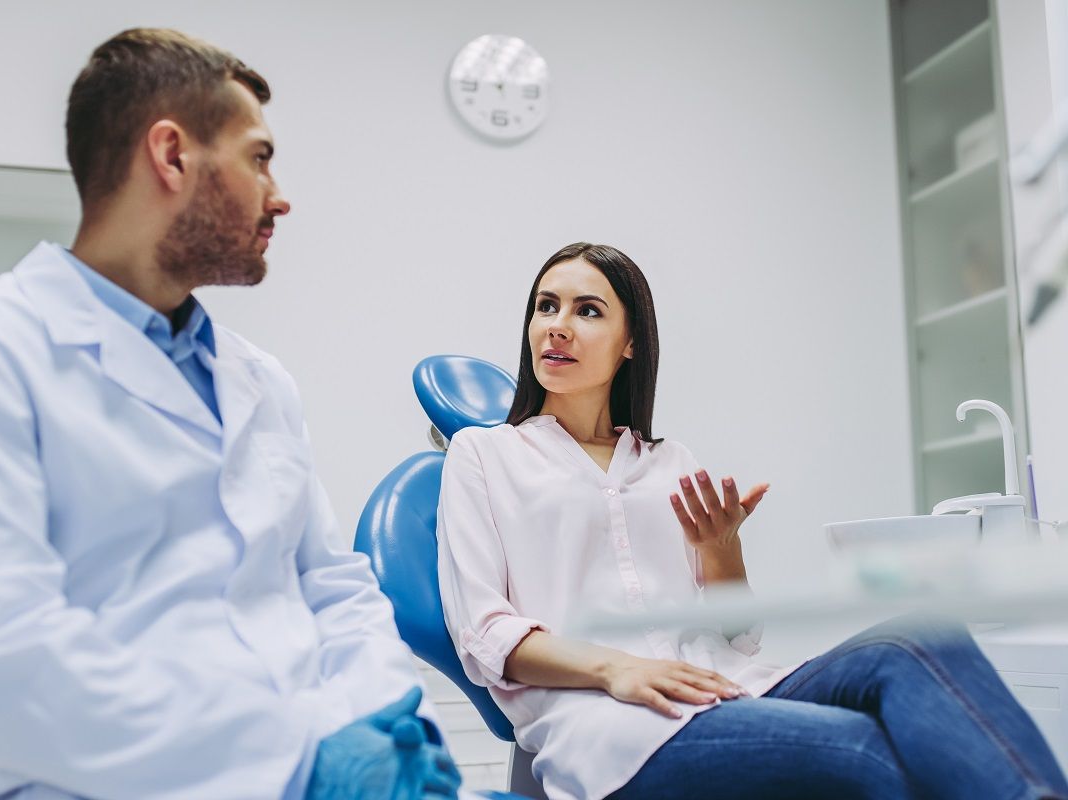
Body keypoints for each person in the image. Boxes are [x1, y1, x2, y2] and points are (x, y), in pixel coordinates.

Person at [0, 29, 460, 800]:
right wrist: (304, 764)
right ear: (172, 155)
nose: (279, 195)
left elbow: (333, 586)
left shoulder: (259, 379)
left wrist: (382, 721)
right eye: (259, 157)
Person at [436, 241, 1068, 800]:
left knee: (926, 638)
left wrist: (721, 550)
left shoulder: (667, 462)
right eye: (546, 307)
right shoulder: (484, 455)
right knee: (867, 753)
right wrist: (616, 667)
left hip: (731, 687)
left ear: (631, 343)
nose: (558, 327)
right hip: (614, 725)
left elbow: (737, 635)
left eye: (587, 310)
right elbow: (484, 634)